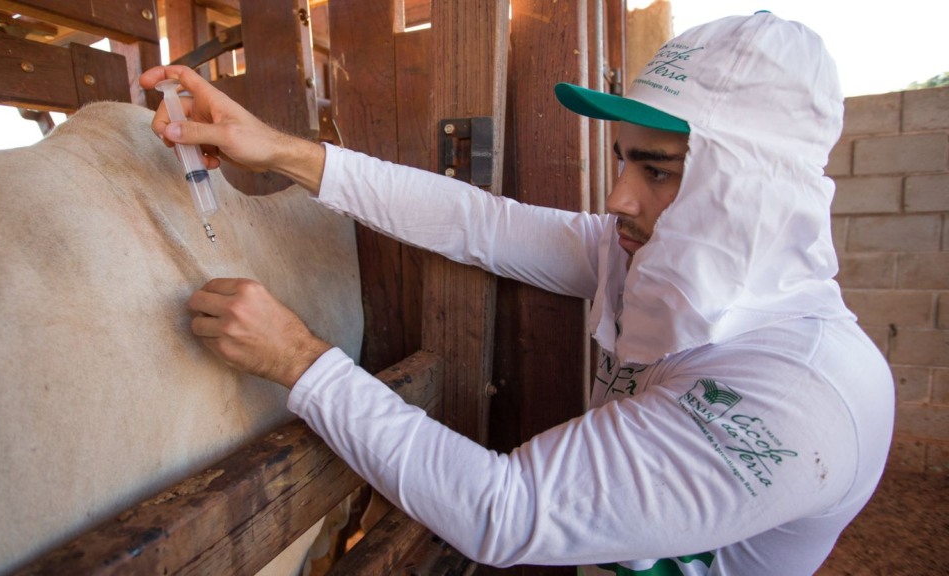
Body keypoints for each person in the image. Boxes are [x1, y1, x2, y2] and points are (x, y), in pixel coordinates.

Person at [139, 11, 894, 576]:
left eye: (658, 170)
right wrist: (276, 150)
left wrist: (302, 361)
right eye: (624, 160)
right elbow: (480, 223)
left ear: (751, 191)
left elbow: (506, 511)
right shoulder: (647, 256)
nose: (619, 196)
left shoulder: (801, 397)